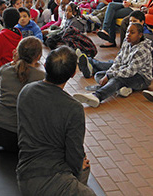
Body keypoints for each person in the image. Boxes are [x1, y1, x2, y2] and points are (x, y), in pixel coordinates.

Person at [16, 46, 94, 196]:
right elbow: (74, 152)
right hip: (52, 179)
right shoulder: (74, 108)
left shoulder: (26, 91)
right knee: (84, 166)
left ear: (45, 66)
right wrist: (79, 166)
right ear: (73, 74)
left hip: (25, 174)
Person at [0, 37, 45, 152]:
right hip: (20, 137)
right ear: (38, 57)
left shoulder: (4, 71)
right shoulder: (41, 77)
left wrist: (14, 61)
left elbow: (12, 69)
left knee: (2, 90)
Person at [74, 23, 152, 107]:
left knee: (117, 79)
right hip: (125, 70)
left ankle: (97, 96)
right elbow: (118, 61)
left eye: (132, 32)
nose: (128, 35)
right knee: (99, 75)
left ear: (140, 35)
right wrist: (108, 74)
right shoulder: (127, 42)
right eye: (127, 32)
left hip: (141, 78)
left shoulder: (142, 49)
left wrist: (110, 75)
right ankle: (120, 89)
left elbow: (130, 72)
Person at [78, 11, 153, 79]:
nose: (132, 23)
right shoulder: (131, 33)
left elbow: (136, 65)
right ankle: (91, 69)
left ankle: (90, 62)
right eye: (130, 21)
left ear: (142, 22)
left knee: (109, 67)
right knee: (112, 65)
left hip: (136, 68)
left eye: (134, 21)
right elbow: (123, 51)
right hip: (126, 62)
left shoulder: (146, 37)